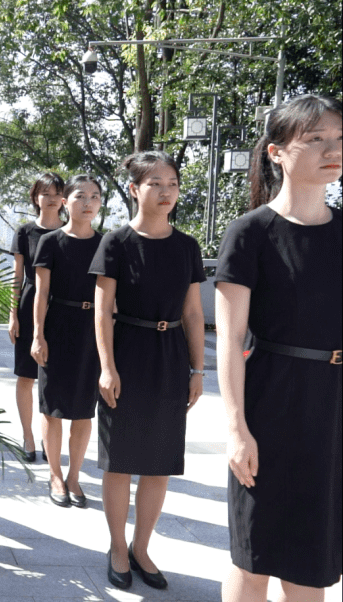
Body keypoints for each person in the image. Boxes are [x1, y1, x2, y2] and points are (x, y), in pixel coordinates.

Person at [218, 95, 342, 600]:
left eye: (338, 139)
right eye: (315, 139)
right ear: (276, 153)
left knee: (312, 565)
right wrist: (235, 428)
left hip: (332, 411)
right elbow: (227, 340)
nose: (332, 149)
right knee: (256, 558)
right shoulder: (250, 233)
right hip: (269, 405)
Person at [89, 150, 205, 590]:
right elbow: (102, 312)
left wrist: (198, 369)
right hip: (128, 352)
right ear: (135, 189)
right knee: (119, 462)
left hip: (171, 356)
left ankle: (142, 547)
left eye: (172, 182)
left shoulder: (186, 246)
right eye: (155, 183)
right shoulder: (116, 242)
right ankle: (117, 547)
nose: (166, 191)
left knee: (159, 463)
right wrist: (106, 367)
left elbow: (193, 313)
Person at [30, 174, 103, 510]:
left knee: (84, 410)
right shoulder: (51, 242)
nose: (87, 203)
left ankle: (75, 475)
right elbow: (41, 293)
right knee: (53, 406)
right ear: (65, 202)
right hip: (58, 327)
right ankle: (55, 474)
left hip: (93, 330)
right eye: (80, 196)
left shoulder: (107, 244)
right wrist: (37, 334)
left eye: (94, 196)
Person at [9, 173, 64, 461]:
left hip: (61, 307)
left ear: (64, 198)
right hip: (29, 304)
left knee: (53, 376)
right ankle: (28, 436)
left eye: (57, 192)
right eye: (45, 193)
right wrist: (12, 314)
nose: (51, 198)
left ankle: (48, 437)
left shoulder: (70, 231)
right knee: (26, 376)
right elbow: (18, 276)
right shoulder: (25, 232)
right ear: (36, 197)